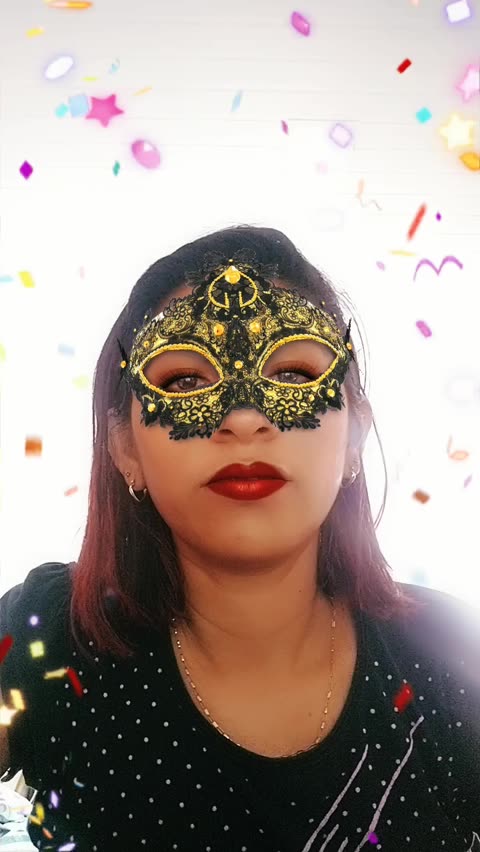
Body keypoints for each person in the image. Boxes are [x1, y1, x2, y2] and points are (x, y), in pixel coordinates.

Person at [0, 225, 479, 852]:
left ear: (354, 435)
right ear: (124, 447)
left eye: (293, 372)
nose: (243, 418)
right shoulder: (51, 635)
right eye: (184, 382)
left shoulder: (454, 654)